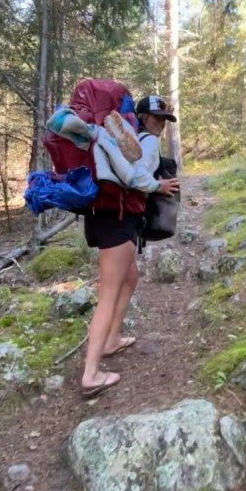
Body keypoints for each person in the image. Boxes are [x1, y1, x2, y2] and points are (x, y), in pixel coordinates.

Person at [80, 94, 180, 398]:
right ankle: (91, 374)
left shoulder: (119, 138)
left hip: (103, 216)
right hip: (119, 219)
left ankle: (112, 339)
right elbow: (136, 177)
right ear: (142, 117)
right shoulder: (145, 142)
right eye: (157, 117)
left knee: (130, 276)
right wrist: (159, 186)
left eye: (165, 119)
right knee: (108, 292)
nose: (161, 123)